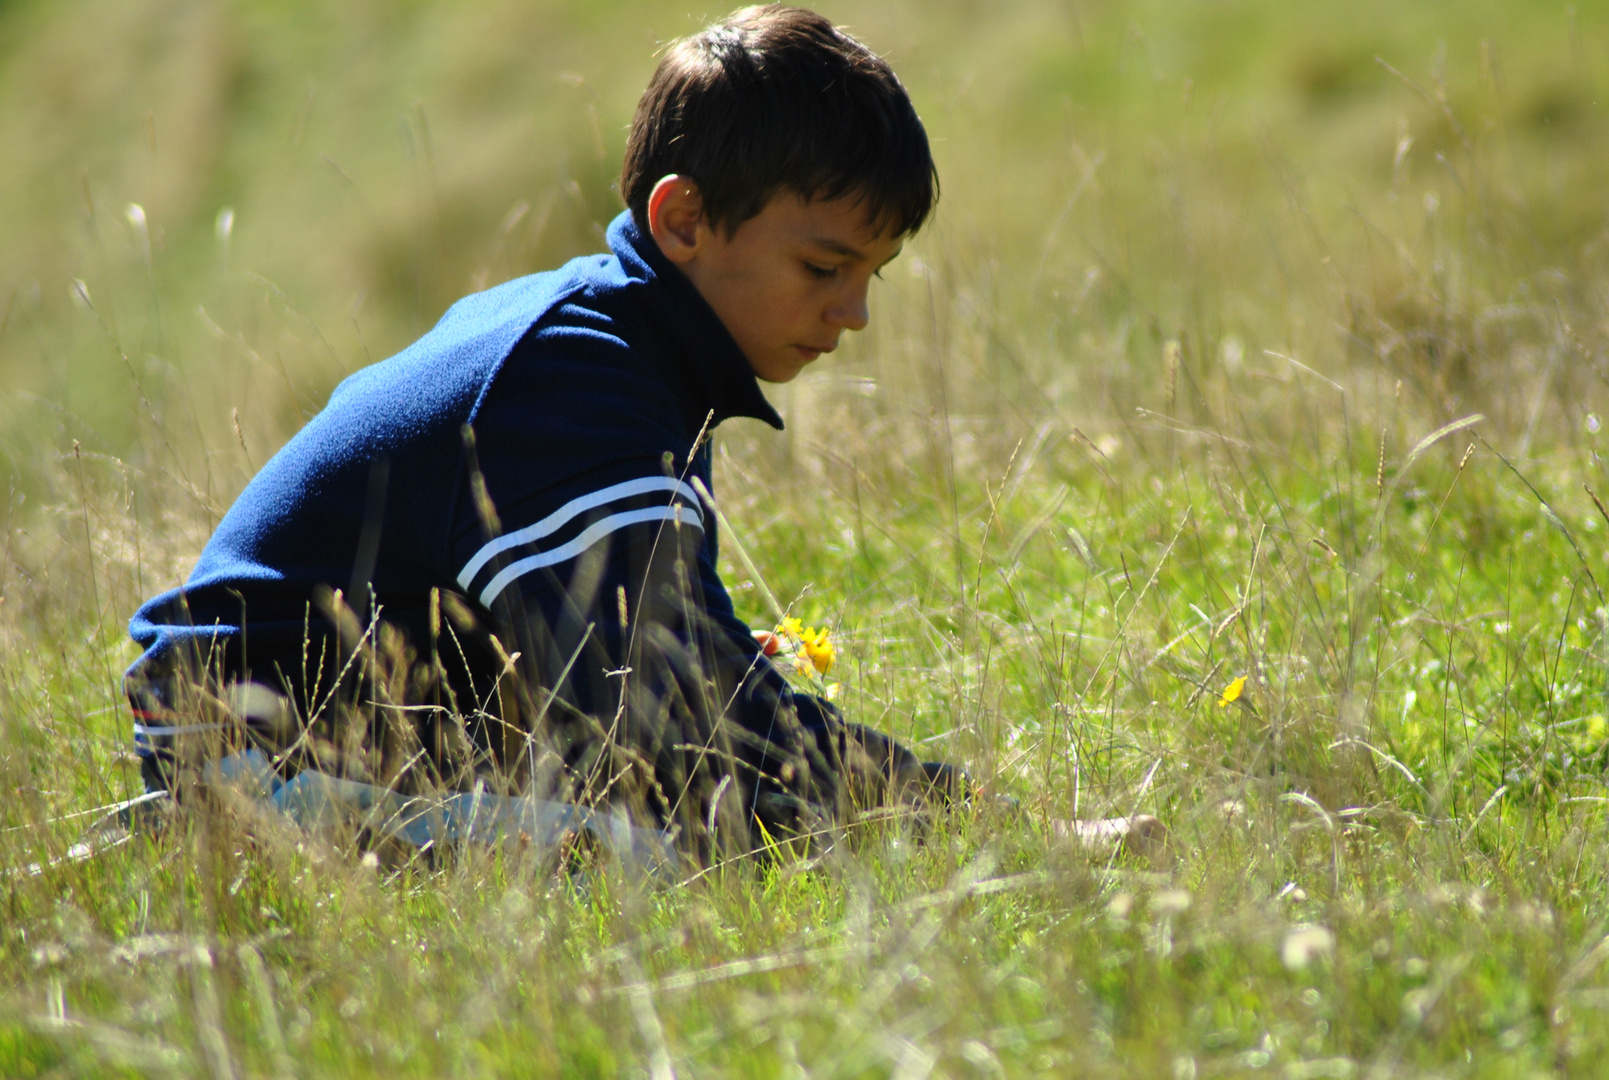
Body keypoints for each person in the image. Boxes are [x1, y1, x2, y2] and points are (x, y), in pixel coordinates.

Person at [125, 4, 958, 861]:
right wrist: (960, 818)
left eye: (871, 274)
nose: (853, 312)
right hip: (254, 761)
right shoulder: (573, 379)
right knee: (645, 867)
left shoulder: (619, 349)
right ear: (682, 222)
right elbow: (677, 718)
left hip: (322, 753)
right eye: (824, 267)